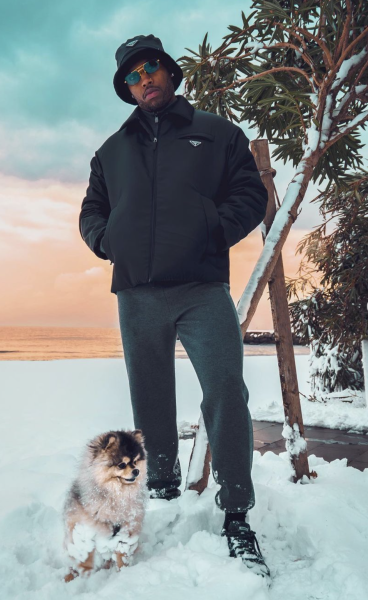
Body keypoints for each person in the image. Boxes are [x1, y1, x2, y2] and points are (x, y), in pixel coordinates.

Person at [79, 34, 270, 579]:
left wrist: (213, 230)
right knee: (150, 395)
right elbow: (92, 210)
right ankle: (160, 485)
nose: (145, 81)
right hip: (136, 292)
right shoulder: (111, 151)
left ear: (169, 70)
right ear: (128, 89)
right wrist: (107, 239)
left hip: (201, 288)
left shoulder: (217, 134)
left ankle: (236, 511)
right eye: (133, 77)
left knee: (226, 389)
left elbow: (249, 195)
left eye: (151, 69)